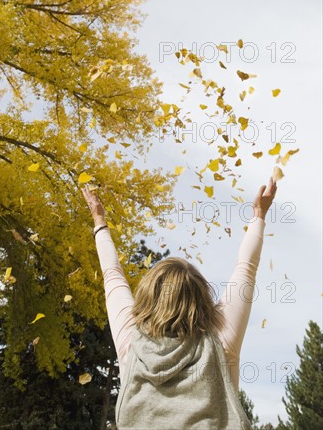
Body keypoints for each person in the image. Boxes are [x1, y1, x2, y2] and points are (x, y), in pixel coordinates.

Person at [81, 177, 277, 430]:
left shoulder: (132, 342)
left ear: (148, 296)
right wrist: (259, 215)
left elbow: (112, 275)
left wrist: (99, 221)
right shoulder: (219, 341)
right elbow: (246, 269)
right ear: (200, 297)